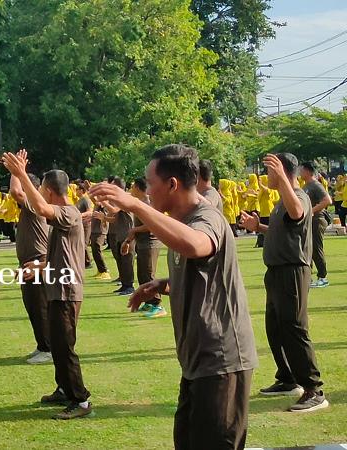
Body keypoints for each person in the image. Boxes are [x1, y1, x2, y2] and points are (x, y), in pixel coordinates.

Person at [91, 144, 258, 450]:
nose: (147, 193)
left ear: (172, 184)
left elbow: (197, 246)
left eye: (150, 185)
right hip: (197, 359)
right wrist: (164, 285)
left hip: (220, 360)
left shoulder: (206, 217)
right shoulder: (181, 221)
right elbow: (203, 270)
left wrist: (136, 206)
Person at [3, 150, 94, 420]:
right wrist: (40, 266)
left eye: (41, 188)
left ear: (50, 191)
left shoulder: (67, 212)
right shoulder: (65, 216)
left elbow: (42, 208)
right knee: (56, 343)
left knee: (65, 347)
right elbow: (65, 256)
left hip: (67, 291)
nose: (38, 193)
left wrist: (20, 174)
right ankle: (64, 390)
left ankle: (81, 401)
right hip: (58, 286)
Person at [241, 153, 328, 413]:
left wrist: (284, 182)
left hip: (292, 272)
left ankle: (314, 389)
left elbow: (298, 212)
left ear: (282, 171)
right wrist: (258, 228)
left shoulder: (297, 196)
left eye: (271, 170)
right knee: (275, 327)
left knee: (294, 329)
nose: (267, 177)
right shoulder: (282, 201)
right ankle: (288, 378)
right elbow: (286, 230)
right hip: (277, 272)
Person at [9, 170, 51, 364]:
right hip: (29, 261)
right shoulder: (33, 206)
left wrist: (16, 171)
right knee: (33, 307)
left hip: (37, 261)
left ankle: (48, 348)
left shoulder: (35, 204)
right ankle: (42, 345)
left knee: (40, 306)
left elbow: (15, 192)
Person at [122, 178, 166, 318]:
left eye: (132, 187)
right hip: (142, 243)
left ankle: (158, 305)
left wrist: (133, 231)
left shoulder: (148, 203)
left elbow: (151, 225)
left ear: (137, 187)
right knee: (142, 275)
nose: (131, 189)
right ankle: (149, 302)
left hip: (150, 243)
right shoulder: (140, 203)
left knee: (148, 274)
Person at [301, 162, 332, 288]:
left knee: (316, 248)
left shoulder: (315, 185)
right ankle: (308, 276)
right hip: (310, 221)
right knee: (309, 248)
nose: (300, 173)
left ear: (308, 172)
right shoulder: (306, 185)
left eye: (302, 170)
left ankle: (322, 277)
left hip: (318, 220)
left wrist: (312, 211)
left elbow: (328, 200)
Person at [103, 177, 135, 296]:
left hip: (127, 235)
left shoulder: (125, 198)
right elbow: (116, 219)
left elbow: (114, 210)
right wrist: (104, 219)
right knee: (121, 262)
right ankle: (125, 285)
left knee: (127, 262)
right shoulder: (119, 199)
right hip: (120, 235)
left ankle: (130, 286)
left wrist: (102, 200)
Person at [89, 183, 111, 280]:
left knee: (97, 249)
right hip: (95, 229)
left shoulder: (104, 202)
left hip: (100, 230)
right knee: (94, 250)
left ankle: (105, 271)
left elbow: (97, 201)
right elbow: (94, 201)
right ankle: (100, 269)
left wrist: (92, 191)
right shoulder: (98, 203)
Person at [75, 184, 95, 269]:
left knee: (84, 243)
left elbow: (90, 211)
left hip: (86, 225)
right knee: (80, 243)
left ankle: (88, 262)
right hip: (80, 225)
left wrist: (79, 215)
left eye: (77, 189)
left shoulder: (86, 200)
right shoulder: (79, 201)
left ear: (82, 190)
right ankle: (83, 262)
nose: (75, 191)